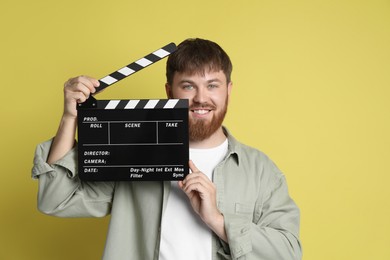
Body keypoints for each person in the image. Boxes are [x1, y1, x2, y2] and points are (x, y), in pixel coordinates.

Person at [32, 38, 302, 260]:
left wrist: (218, 220)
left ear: (228, 90)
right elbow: (55, 200)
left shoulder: (261, 171)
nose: (201, 98)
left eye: (213, 85)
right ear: (170, 92)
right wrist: (70, 118)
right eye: (188, 86)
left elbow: (288, 253)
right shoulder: (131, 153)